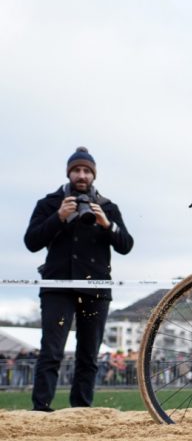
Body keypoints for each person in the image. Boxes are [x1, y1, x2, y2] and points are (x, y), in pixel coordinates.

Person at [23, 147, 134, 411]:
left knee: (89, 355)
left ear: (93, 175)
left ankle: (81, 411)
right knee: (51, 351)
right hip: (57, 288)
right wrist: (58, 217)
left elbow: (126, 245)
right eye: (76, 170)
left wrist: (107, 224)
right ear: (69, 173)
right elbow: (31, 242)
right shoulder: (48, 203)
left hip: (95, 290)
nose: (81, 175)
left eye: (86, 171)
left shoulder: (108, 207)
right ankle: (41, 409)